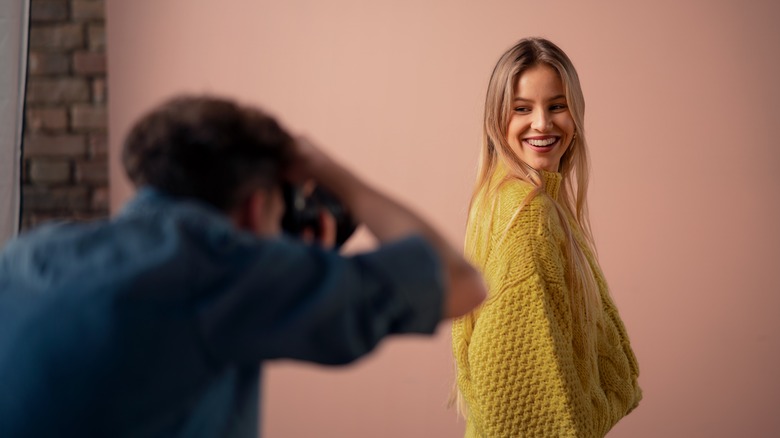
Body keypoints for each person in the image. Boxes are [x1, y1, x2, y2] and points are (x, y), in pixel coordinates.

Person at [0, 95, 486, 437]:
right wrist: (335, 176)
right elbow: (460, 283)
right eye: (280, 211)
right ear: (256, 206)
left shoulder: (29, 252)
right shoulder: (217, 268)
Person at [451, 37, 642, 437]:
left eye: (557, 106)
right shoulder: (528, 214)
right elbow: (518, 406)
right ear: (496, 119)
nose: (542, 123)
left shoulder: (504, 199)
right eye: (522, 108)